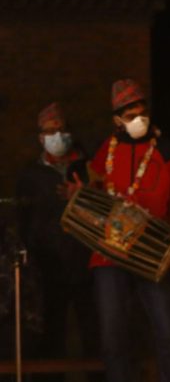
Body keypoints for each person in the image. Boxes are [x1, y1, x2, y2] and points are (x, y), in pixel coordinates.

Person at [87, 79, 170, 382]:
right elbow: (93, 197)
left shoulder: (168, 151)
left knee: (168, 333)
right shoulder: (103, 152)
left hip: (153, 251)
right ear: (117, 119)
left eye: (142, 113)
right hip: (110, 255)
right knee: (113, 337)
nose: (139, 119)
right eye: (131, 116)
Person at [15, 103, 98, 377]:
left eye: (60, 129)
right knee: (51, 337)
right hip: (48, 266)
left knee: (94, 334)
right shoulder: (31, 175)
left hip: (87, 262)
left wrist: (83, 195)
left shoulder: (88, 168)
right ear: (41, 137)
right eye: (50, 131)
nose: (57, 135)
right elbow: (24, 219)